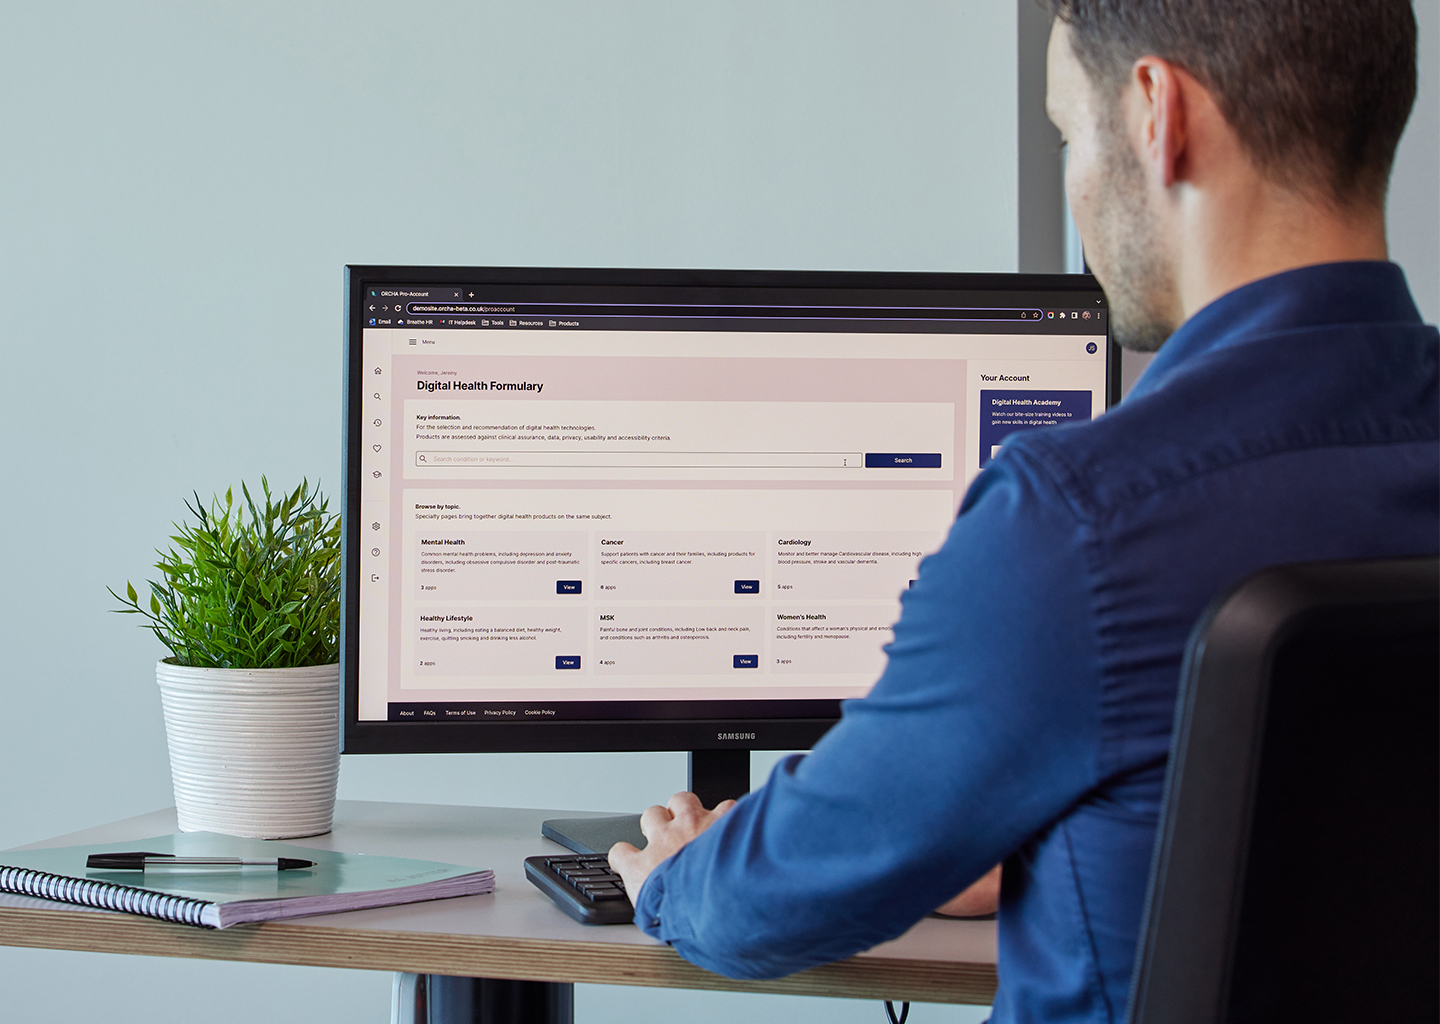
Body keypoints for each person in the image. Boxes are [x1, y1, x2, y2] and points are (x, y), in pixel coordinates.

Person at [610, 1, 1439, 1019]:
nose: (1075, 188)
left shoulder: (1082, 522)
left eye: (1065, 134)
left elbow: (769, 900)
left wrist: (676, 877)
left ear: (1155, 113)